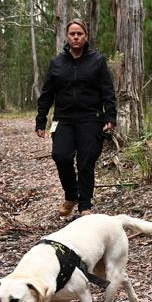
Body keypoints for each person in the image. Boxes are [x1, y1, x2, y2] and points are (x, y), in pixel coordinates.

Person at [35, 18, 116, 217]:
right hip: (64, 119)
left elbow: (107, 91)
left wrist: (110, 117)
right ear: (67, 37)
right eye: (72, 34)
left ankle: (85, 206)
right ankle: (71, 195)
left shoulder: (97, 61)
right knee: (60, 156)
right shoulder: (57, 63)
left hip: (91, 118)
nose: (76, 37)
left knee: (86, 161)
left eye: (79, 33)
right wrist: (41, 119)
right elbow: (47, 94)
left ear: (85, 36)